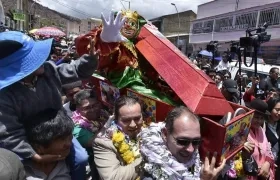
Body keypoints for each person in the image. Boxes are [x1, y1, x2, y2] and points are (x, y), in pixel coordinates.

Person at [0, 31, 98, 180]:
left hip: (60, 132)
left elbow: (76, 71)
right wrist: (34, 156)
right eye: (32, 59)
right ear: (20, 69)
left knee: (80, 159)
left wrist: (90, 59)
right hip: (30, 141)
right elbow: (10, 133)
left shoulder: (49, 71)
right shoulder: (5, 95)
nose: (41, 60)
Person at [140, 106, 226, 180]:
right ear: (165, 134)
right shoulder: (151, 175)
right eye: (183, 141)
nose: (191, 149)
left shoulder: (195, 160)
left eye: (196, 141)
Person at [93, 96, 143, 180]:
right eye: (126, 120)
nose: (133, 125)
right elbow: (113, 178)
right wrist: (148, 157)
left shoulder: (149, 133)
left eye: (137, 118)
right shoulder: (103, 143)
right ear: (116, 120)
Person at [24, 108, 74, 180]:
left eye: (69, 137)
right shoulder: (19, 170)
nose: (69, 144)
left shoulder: (71, 163)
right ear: (39, 147)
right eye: (62, 139)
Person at [72, 89, 109, 178]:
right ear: (78, 109)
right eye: (87, 107)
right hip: (95, 162)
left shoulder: (103, 113)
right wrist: (109, 124)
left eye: (95, 105)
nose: (93, 109)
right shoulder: (76, 127)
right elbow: (94, 142)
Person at [243, 99, 274, 180]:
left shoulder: (261, 130)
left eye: (261, 118)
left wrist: (267, 163)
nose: (259, 121)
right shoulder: (242, 131)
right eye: (256, 117)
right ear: (250, 115)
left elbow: (268, 149)